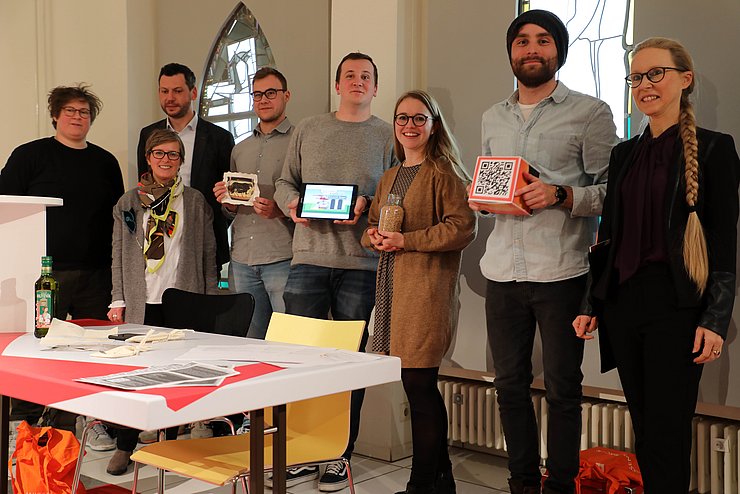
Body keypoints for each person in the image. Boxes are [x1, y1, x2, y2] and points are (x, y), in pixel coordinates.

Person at [573, 37, 740, 494]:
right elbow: (608, 237)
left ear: (684, 80)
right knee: (645, 428)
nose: (644, 85)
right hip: (625, 307)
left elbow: (725, 243)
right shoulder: (624, 153)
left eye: (655, 74)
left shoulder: (715, 149)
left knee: (668, 433)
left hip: (678, 309)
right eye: (635, 77)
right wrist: (592, 301)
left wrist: (715, 319)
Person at [469, 10, 618, 494]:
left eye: (543, 41)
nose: (532, 49)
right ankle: (521, 483)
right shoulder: (493, 115)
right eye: (522, 41)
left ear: (559, 50)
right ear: (511, 52)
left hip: (563, 271)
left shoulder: (590, 112)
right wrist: (486, 199)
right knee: (509, 385)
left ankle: (560, 486)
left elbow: (613, 188)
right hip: (502, 272)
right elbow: (496, 183)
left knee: (562, 390)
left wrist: (561, 195)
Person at [273, 52, 397, 491]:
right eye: (350, 76)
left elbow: (394, 193)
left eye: (366, 76)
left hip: (361, 264)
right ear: (338, 84)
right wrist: (292, 203)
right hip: (307, 258)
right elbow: (286, 181)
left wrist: (367, 205)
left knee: (349, 364)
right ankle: (303, 451)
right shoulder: (309, 128)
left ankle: (338, 455)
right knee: (298, 361)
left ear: (375, 87)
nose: (358, 82)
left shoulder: (387, 134)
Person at [362, 90, 476, 494]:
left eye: (418, 118)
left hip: (426, 293)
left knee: (420, 387)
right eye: (402, 119)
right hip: (392, 291)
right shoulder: (391, 175)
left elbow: (462, 228)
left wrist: (405, 241)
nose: (409, 125)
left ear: (433, 124)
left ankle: (421, 483)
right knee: (416, 386)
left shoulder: (444, 173)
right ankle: (442, 481)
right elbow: (374, 224)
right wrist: (373, 235)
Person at [0, 84, 123, 450]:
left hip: (96, 271)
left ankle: (86, 422)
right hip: (44, 273)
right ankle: (23, 424)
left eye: (83, 112)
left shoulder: (105, 162)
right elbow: (6, 207)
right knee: (38, 348)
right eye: (69, 111)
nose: (76, 117)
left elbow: (118, 216)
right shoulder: (29, 156)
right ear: (55, 114)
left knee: (91, 351)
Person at [107, 129, 218, 475]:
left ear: (181, 161)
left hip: (182, 298)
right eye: (159, 154)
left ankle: (167, 444)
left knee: (175, 374)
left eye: (173, 154)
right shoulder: (129, 201)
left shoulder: (196, 201)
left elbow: (208, 253)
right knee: (134, 375)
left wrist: (208, 299)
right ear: (148, 158)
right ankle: (126, 443)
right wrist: (117, 298)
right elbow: (119, 253)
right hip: (141, 300)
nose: (166, 160)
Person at [213, 67, 294, 339]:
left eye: (271, 93)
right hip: (242, 259)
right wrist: (229, 204)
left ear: (287, 96)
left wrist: (279, 211)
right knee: (250, 341)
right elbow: (231, 209)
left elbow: (309, 199)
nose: (263, 99)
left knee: (288, 341)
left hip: (283, 256)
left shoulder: (299, 142)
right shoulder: (240, 148)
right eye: (257, 94)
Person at [137, 63, 234, 271]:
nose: (169, 98)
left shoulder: (219, 138)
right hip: (159, 240)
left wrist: (210, 226)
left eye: (177, 91)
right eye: (164, 91)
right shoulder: (148, 134)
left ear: (194, 92)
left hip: (204, 238)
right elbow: (144, 185)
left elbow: (227, 195)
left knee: (202, 303)